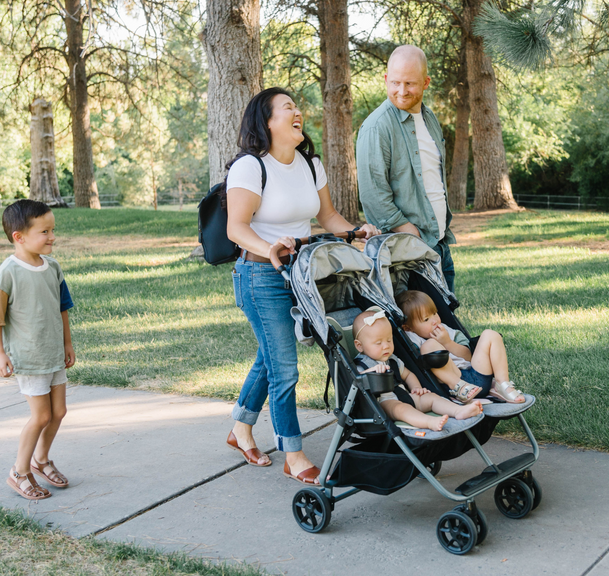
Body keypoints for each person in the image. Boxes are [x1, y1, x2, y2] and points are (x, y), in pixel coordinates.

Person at [225, 87, 380, 485]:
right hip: (259, 275)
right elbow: (236, 227)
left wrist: (355, 230)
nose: (297, 112)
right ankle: (292, 452)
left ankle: (240, 429)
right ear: (267, 121)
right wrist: (270, 248)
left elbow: (327, 216)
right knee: (285, 369)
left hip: (301, 274)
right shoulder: (249, 167)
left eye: (297, 106)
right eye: (287, 107)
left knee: (271, 357)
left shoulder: (310, 163)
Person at [0, 199, 76, 500]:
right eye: (44, 231)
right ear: (19, 237)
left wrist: (67, 343)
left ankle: (41, 459)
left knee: (59, 412)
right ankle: (19, 471)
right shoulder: (8, 272)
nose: (52, 237)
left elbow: (62, 308)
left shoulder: (52, 267)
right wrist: (0, 354)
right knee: (40, 417)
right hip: (29, 357)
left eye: (52, 230)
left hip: (53, 354)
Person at [356, 44, 458, 291]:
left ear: (426, 82)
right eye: (395, 83)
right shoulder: (377, 127)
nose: (401, 91)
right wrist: (410, 233)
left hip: (438, 242)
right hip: (407, 250)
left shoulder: (429, 118)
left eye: (410, 84)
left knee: (444, 325)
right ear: (386, 79)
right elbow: (373, 196)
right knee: (421, 325)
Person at [353, 308, 482, 431]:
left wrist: (416, 388)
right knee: (400, 409)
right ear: (359, 346)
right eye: (378, 343)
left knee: (431, 398)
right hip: (385, 403)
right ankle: (429, 422)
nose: (386, 346)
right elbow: (355, 381)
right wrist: (370, 372)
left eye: (389, 340)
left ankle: (458, 411)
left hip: (405, 395)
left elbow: (408, 375)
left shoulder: (393, 359)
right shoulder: (362, 364)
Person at [396, 290, 525, 404]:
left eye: (435, 313)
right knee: (428, 346)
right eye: (426, 319)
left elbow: (468, 356)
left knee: (491, 334)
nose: (434, 320)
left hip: (476, 375)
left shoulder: (448, 331)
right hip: (453, 384)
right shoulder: (412, 338)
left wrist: (447, 343)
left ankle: (502, 385)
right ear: (408, 328)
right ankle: (459, 386)